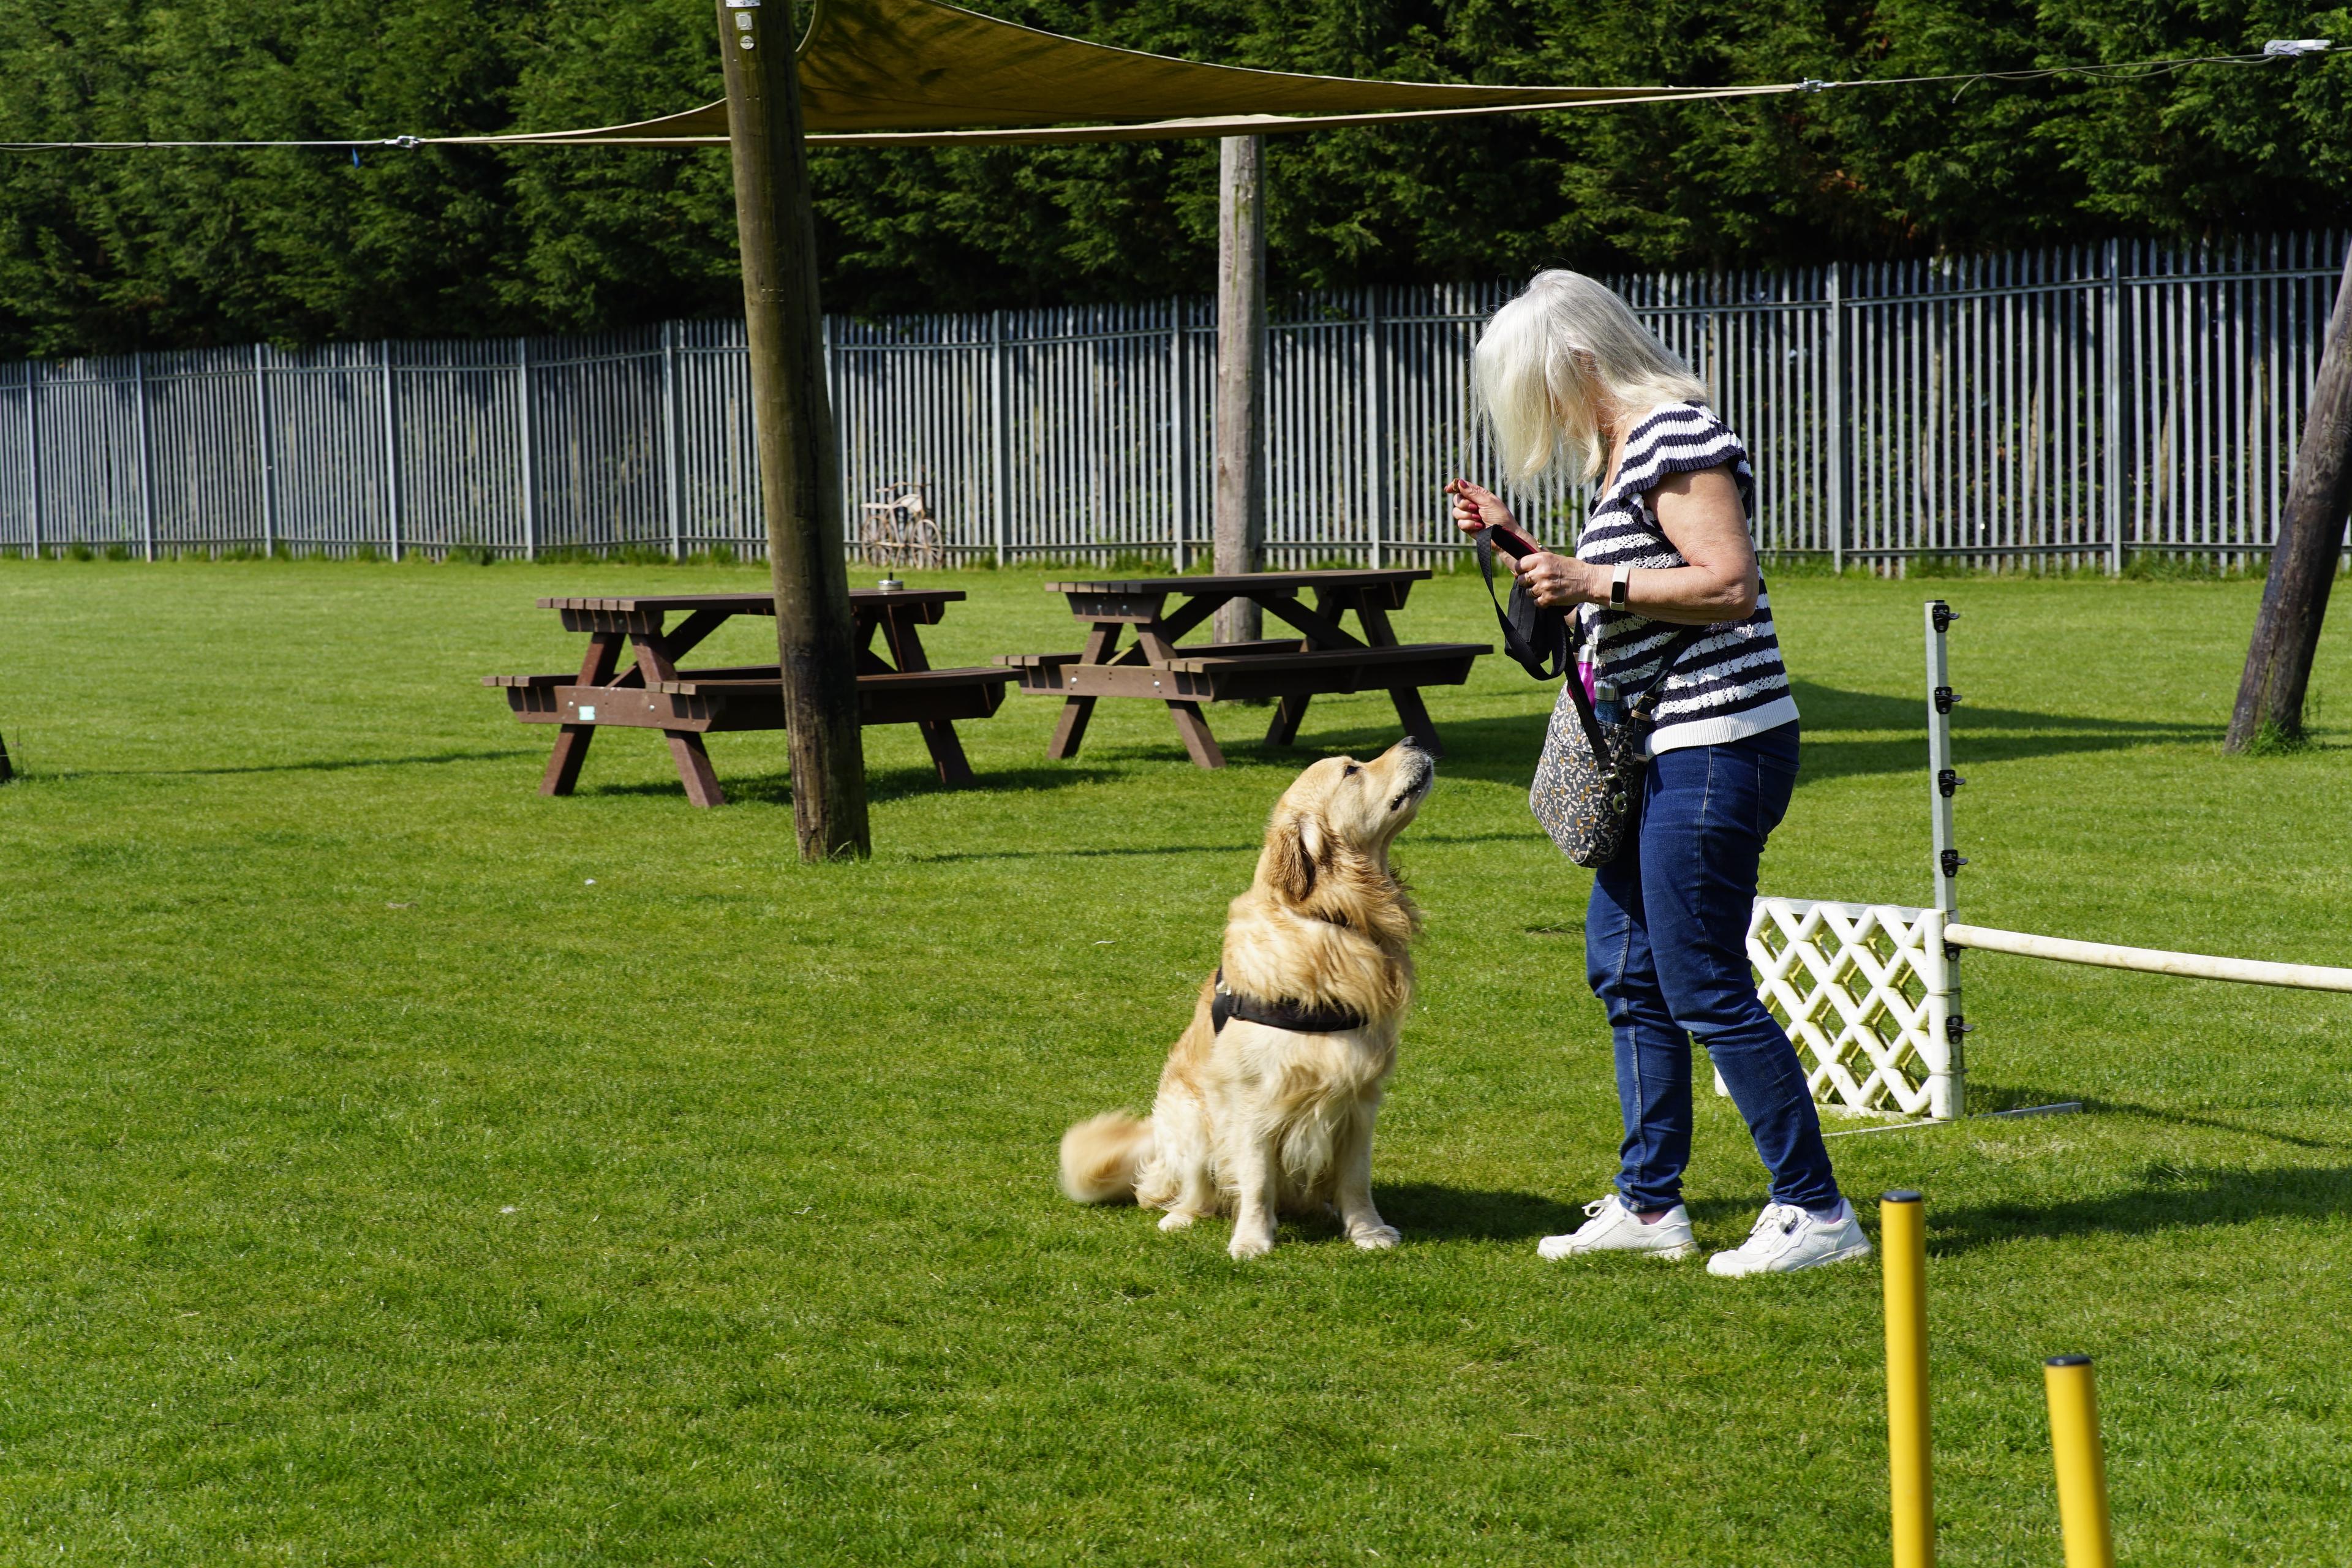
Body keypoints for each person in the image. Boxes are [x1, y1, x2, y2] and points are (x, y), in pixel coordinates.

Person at [1448, 270, 1868, 1277]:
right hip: (1663, 749)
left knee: (1701, 979)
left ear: (1578, 362)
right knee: (1627, 971)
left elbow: (1727, 583)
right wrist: (1525, 550)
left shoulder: (1679, 435)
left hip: (1719, 743)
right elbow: (1626, 596)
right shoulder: (1624, 454)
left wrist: (1591, 575)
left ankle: (1816, 1210)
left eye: (1536, 385)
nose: (1535, 410)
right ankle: (1649, 1208)